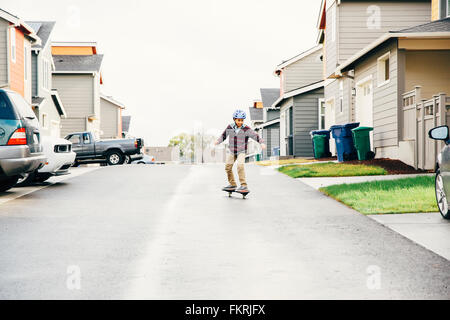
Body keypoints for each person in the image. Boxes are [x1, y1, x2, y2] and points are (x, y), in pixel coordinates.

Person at [214, 109, 266, 193]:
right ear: (234, 119)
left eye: (242, 120)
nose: (240, 122)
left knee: (240, 166)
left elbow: (255, 136)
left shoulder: (246, 129)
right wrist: (218, 141)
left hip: (241, 151)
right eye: (238, 120)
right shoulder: (230, 127)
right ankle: (232, 184)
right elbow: (223, 136)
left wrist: (262, 143)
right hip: (232, 151)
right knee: (228, 167)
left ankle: (243, 185)